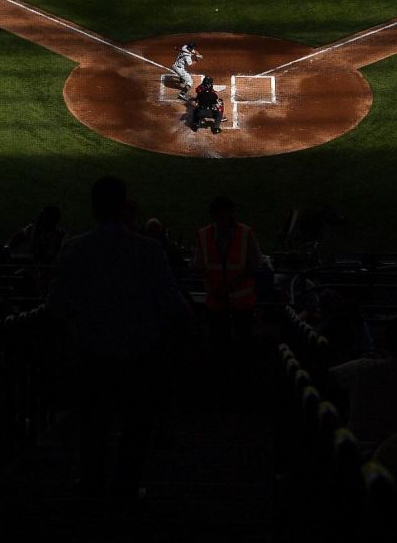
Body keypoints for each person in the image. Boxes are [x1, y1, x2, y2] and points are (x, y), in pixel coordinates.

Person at [48, 176, 189, 499]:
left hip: (90, 356)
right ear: (125, 206)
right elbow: (173, 307)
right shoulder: (149, 250)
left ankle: (91, 484)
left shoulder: (75, 249)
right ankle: (126, 487)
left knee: (93, 425)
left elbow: (56, 308)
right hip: (139, 358)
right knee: (136, 427)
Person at [195, 196, 262, 406]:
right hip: (219, 304)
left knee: (241, 349)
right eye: (227, 212)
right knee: (219, 350)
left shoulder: (244, 233)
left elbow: (255, 263)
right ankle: (223, 393)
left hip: (240, 304)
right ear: (216, 214)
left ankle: (240, 392)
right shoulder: (205, 235)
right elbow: (199, 265)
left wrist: (228, 286)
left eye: (232, 212)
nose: (231, 216)